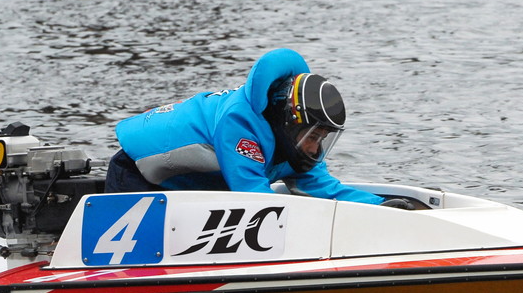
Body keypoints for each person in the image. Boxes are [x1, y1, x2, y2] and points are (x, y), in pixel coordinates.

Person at [105, 48, 412, 208]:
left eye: (322, 139)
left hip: (186, 190)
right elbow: (256, 201)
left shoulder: (292, 144)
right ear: (290, 123)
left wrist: (385, 206)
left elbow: (325, 190)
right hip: (136, 178)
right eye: (313, 137)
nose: (316, 148)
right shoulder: (239, 124)